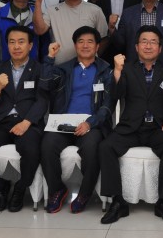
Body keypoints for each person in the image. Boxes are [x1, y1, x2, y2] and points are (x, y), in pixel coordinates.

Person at [99, 26, 163, 225]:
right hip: (131, 127)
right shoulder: (127, 68)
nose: (148, 45)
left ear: (160, 48)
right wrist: (117, 71)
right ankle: (118, 202)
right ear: (136, 47)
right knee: (106, 146)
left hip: (158, 127)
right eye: (144, 41)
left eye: (153, 42)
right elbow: (117, 94)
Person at [0, 26, 48, 212]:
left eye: (21, 42)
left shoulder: (40, 69)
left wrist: (26, 122)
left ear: (30, 45)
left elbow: (43, 100)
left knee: (31, 150)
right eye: (12, 42)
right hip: (2, 122)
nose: (16, 46)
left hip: (28, 122)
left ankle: (20, 188)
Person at [40, 27, 113, 214]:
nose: (85, 45)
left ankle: (84, 193)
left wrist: (90, 123)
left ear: (97, 46)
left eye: (90, 41)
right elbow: (45, 85)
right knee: (47, 144)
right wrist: (50, 58)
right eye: (81, 41)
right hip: (63, 122)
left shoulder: (105, 71)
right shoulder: (63, 69)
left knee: (92, 147)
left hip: (91, 124)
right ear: (75, 45)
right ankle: (57, 189)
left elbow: (107, 105)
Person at [33, 0, 108, 65]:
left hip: (88, 67)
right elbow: (39, 30)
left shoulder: (95, 10)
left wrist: (92, 56)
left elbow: (104, 39)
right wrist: (38, 1)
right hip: (59, 68)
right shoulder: (52, 10)